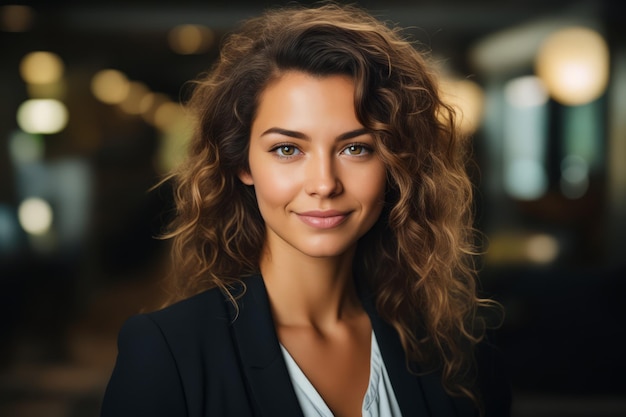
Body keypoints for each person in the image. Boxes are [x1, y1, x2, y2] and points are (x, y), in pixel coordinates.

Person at [100, 3, 511, 416]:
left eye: (355, 148)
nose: (324, 184)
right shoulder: (167, 352)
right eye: (287, 149)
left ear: (394, 164)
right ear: (242, 162)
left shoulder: (457, 354)